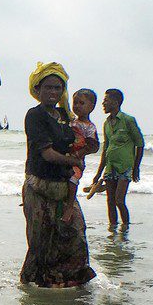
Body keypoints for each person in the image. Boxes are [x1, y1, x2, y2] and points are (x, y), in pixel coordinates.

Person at [20, 62, 97, 289]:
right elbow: (48, 154)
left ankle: (68, 284)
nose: (53, 93)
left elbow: (85, 141)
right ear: (38, 90)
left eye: (57, 88)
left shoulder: (66, 116)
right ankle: (33, 288)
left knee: (75, 236)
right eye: (48, 88)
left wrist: (87, 149)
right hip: (39, 186)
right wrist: (75, 161)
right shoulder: (35, 116)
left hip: (63, 188)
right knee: (40, 242)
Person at [92, 89, 144, 230]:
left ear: (116, 102)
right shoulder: (106, 123)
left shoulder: (128, 120)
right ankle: (113, 231)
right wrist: (98, 173)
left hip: (125, 166)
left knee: (119, 200)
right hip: (110, 166)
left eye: (106, 100)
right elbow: (106, 149)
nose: (103, 103)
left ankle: (125, 229)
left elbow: (140, 143)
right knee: (110, 202)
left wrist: (136, 167)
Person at [61, 89, 100, 222]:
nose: (77, 106)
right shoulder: (71, 121)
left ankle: (70, 206)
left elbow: (94, 146)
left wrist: (80, 153)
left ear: (91, 107)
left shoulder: (89, 127)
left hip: (77, 160)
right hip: (66, 156)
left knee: (73, 179)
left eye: (81, 103)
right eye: (75, 103)